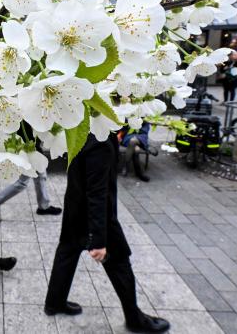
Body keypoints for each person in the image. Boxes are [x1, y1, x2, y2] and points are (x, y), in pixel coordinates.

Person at [44, 133, 170, 333]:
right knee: (119, 261)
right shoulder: (100, 139)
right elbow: (97, 192)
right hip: (97, 216)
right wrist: (99, 239)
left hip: (75, 206)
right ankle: (134, 319)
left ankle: (54, 302)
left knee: (67, 250)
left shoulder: (84, 129)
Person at [0, 123, 62, 222]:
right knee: (22, 182)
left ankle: (43, 206)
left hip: (29, 147)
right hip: (26, 149)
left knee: (40, 176)